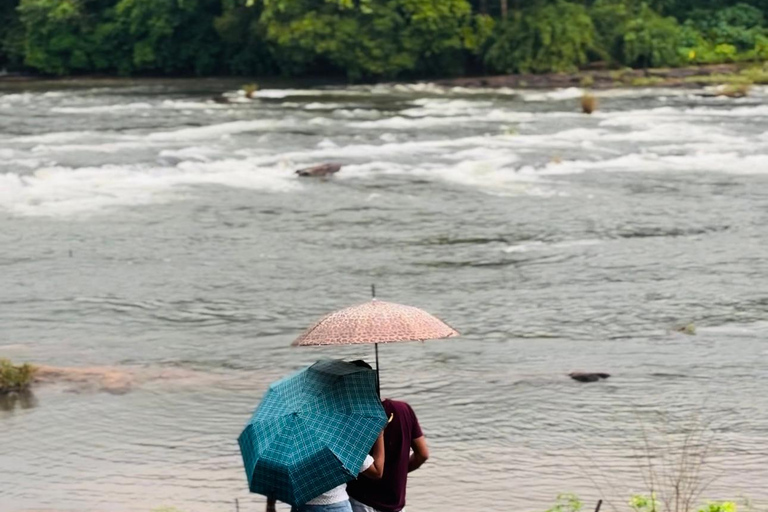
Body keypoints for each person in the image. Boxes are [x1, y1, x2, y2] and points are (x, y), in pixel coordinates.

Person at [346, 364, 430, 512]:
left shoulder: (352, 419)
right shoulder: (403, 409)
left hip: (361, 500)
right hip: (395, 502)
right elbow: (422, 454)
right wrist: (398, 471)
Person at [266, 409, 385, 512]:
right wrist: (379, 434)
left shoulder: (291, 438)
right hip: (336, 506)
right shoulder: (340, 439)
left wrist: (270, 505)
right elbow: (376, 471)